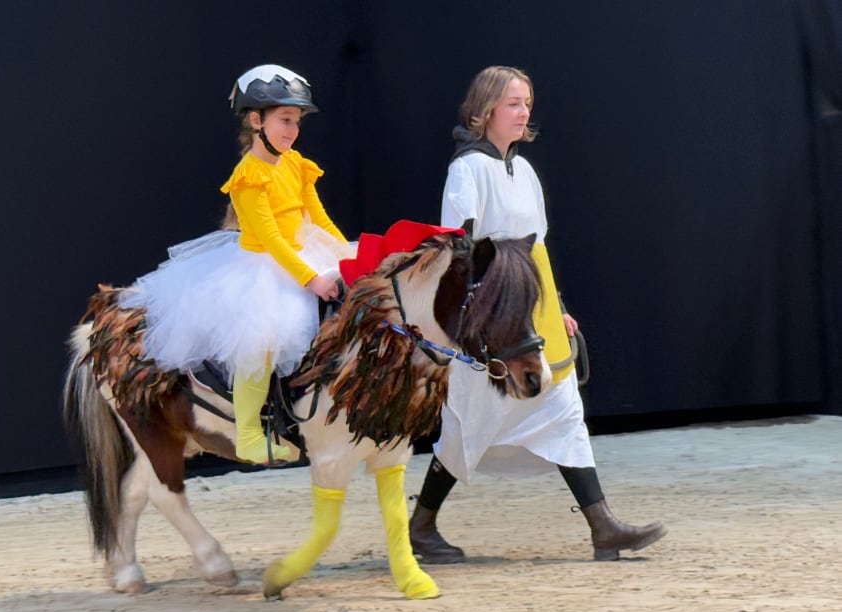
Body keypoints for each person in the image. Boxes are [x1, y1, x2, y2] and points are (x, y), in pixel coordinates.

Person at [409, 66, 666, 563]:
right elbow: (457, 249)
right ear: (486, 109)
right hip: (488, 321)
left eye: (526, 102)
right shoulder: (467, 170)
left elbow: (538, 250)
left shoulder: (524, 171)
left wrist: (558, 308)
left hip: (528, 313)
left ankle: (603, 526)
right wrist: (484, 313)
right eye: (513, 103)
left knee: (563, 409)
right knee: (470, 423)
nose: (523, 111)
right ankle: (421, 526)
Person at [121, 65, 352, 465]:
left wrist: (347, 255)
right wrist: (311, 279)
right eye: (285, 120)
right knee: (261, 340)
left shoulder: (296, 163)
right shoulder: (249, 175)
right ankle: (248, 433)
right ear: (256, 120)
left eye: (296, 121)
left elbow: (320, 220)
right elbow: (270, 239)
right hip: (265, 267)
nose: (293, 130)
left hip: (304, 253)